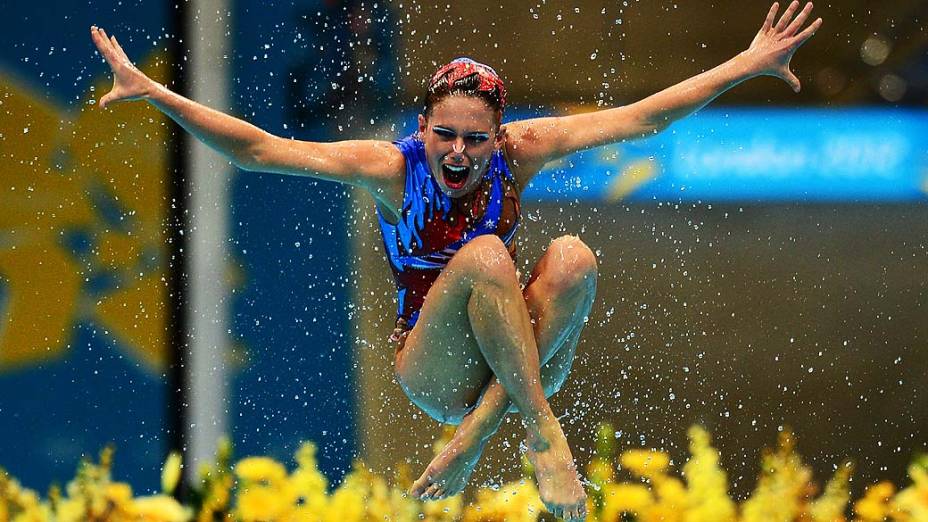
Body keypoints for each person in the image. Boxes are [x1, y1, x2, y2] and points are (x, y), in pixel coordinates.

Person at [90, 3, 821, 520]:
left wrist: (747, 63)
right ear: (423, 126)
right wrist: (155, 92)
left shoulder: (520, 153)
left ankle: (472, 443)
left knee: (572, 258)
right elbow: (258, 150)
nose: (460, 155)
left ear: (499, 133)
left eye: (477, 139)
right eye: (446, 135)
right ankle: (542, 434)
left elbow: (643, 117)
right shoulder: (387, 167)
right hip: (432, 365)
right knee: (482, 255)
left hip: (517, 357)